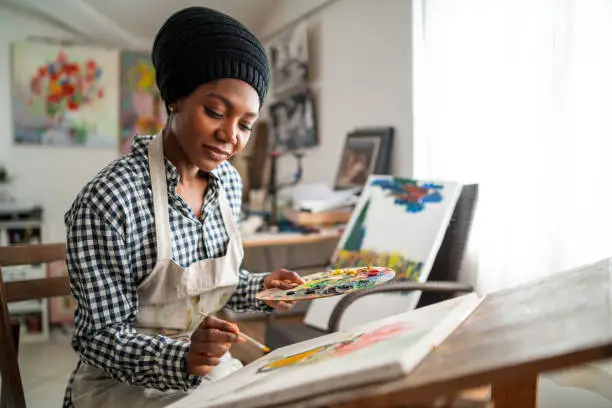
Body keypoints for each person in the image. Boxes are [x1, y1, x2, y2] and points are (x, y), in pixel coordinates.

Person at [62, 6, 304, 408]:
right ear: (174, 98)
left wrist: (261, 288)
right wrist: (183, 358)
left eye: (245, 124)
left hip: (204, 373)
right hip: (122, 387)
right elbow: (99, 337)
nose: (230, 136)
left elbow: (205, 289)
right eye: (215, 112)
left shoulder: (227, 182)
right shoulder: (109, 200)